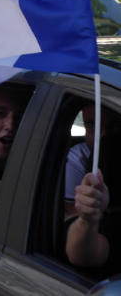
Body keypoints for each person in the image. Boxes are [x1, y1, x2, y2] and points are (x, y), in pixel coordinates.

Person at [64, 104, 121, 272]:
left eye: (116, 128)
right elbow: (82, 254)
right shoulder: (75, 160)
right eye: (93, 126)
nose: (103, 136)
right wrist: (88, 219)